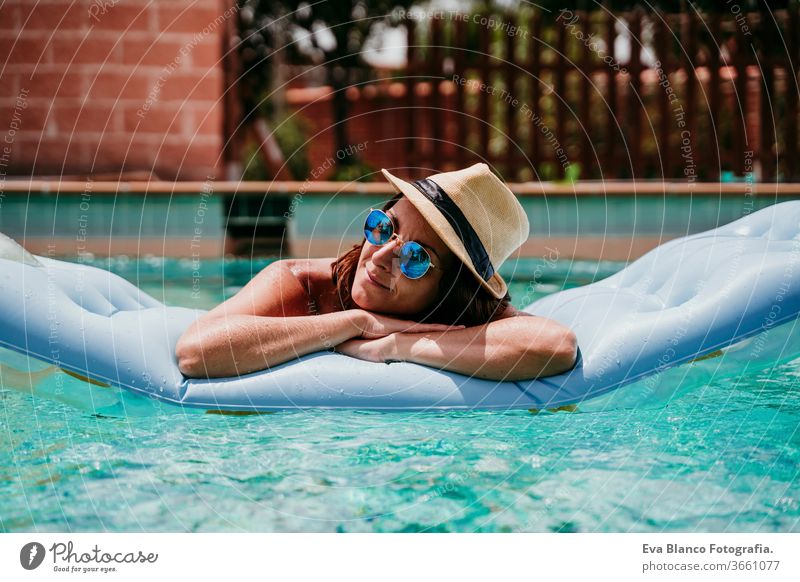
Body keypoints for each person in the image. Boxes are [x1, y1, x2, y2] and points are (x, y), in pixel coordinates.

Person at [176, 163, 577, 381]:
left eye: (416, 258)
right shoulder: (303, 284)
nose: (381, 256)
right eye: (384, 227)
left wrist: (397, 345)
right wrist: (353, 322)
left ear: (451, 288)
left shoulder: (462, 314)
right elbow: (196, 352)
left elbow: (556, 346)